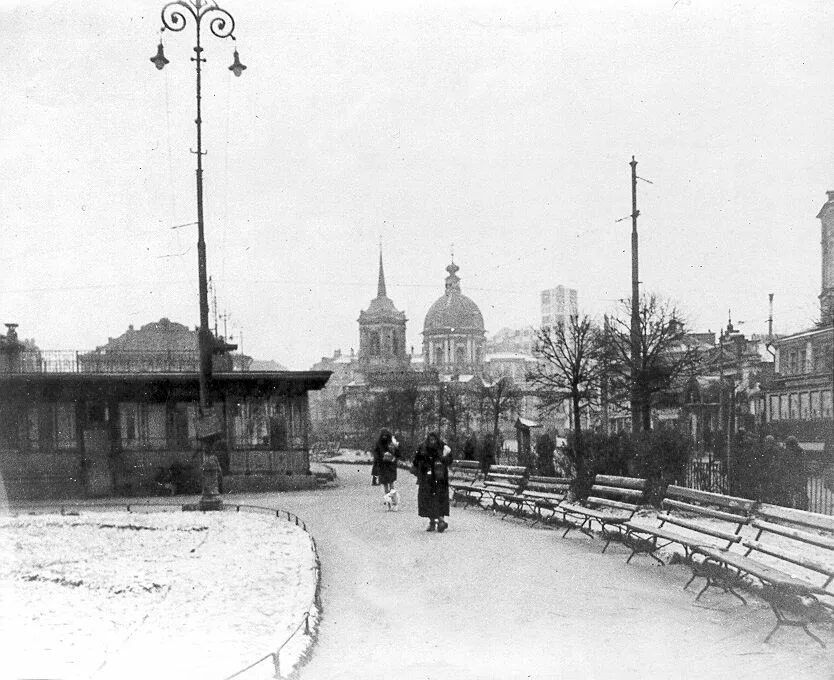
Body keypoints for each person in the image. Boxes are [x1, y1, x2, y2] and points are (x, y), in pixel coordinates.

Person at [412, 431, 453, 532]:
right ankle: (432, 522)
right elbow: (416, 461)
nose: (432, 441)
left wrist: (443, 458)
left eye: (434, 439)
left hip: (440, 478)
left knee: (440, 499)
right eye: (431, 439)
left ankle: (441, 520)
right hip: (427, 478)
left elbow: (449, 460)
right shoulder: (422, 447)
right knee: (427, 500)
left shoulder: (443, 447)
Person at [372, 428, 400, 498]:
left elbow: (397, 452)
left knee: (391, 483)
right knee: (385, 483)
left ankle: (393, 498)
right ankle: (388, 498)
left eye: (385, 435)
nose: (384, 437)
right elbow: (375, 452)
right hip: (382, 465)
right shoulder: (379, 443)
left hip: (390, 465)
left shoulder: (392, 442)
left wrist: (393, 457)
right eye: (383, 436)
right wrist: (379, 458)